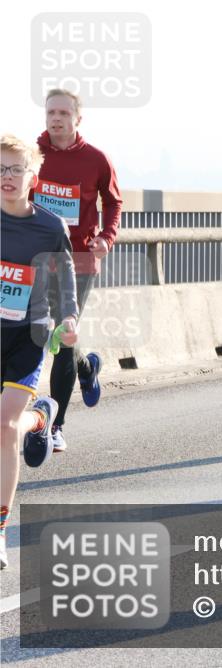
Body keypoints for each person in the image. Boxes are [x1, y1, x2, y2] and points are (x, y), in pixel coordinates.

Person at [1, 134, 79, 569]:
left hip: (28, 337)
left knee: (4, 425)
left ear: (33, 177)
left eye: (16, 169)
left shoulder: (50, 226)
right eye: (0, 169)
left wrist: (70, 318)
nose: (7, 177)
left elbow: (66, 278)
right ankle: (42, 416)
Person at [33, 89, 120, 453]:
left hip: (79, 260)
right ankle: (86, 368)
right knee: (40, 332)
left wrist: (106, 237)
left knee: (64, 335)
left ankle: (55, 426)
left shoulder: (96, 159)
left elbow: (113, 202)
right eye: (51, 112)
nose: (56, 118)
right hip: (35, 258)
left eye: (64, 113)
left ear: (77, 119)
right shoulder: (32, 156)